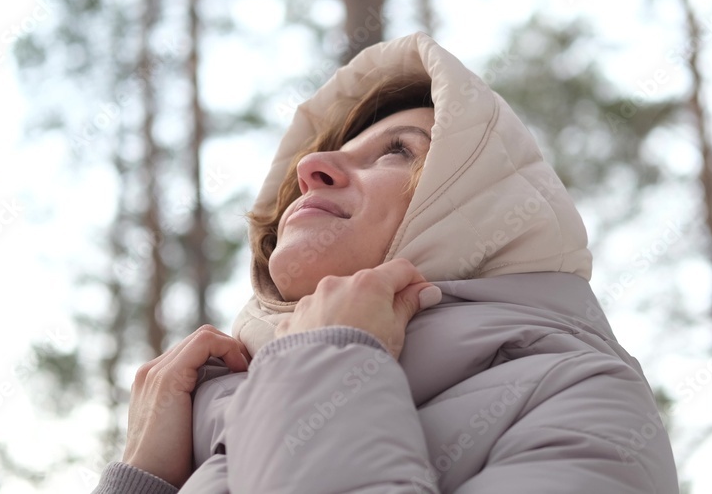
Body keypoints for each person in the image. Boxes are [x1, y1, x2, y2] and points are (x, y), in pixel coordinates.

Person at [90, 32, 679, 493]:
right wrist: (143, 480)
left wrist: (325, 363)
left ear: (471, 209)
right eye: (322, 157)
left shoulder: (584, 397)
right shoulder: (213, 410)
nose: (310, 168)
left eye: (396, 151)